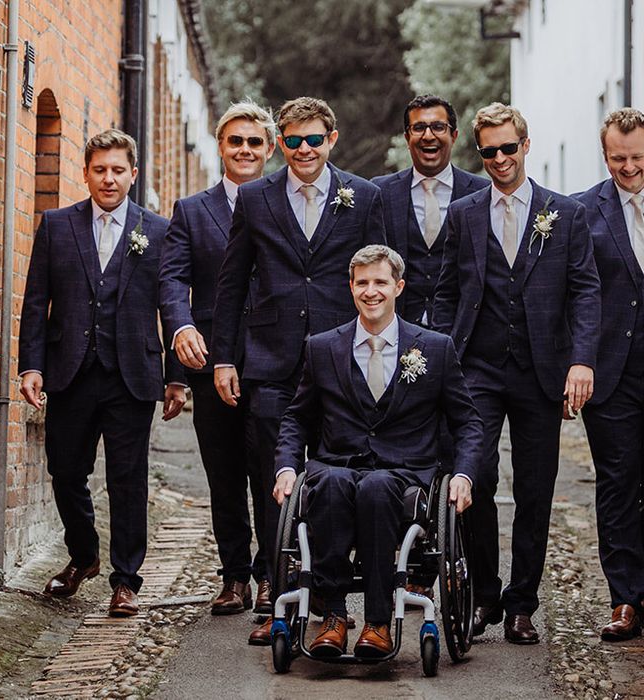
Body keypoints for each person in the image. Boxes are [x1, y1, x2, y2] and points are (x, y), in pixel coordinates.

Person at [210, 96, 386, 645]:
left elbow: (381, 275)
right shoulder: (257, 199)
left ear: (331, 139)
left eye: (314, 139)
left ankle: (334, 603)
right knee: (273, 480)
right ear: (279, 143)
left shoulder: (366, 196)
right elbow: (232, 282)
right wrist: (224, 357)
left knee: (338, 476)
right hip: (269, 359)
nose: (303, 149)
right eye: (292, 140)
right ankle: (276, 593)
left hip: (342, 361)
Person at [433, 103, 601, 644]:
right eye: (489, 151)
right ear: (477, 153)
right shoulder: (463, 213)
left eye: (508, 148)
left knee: (535, 488)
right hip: (476, 367)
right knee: (474, 476)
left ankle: (523, 603)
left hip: (540, 370)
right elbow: (446, 291)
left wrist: (581, 359)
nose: (500, 159)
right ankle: (485, 594)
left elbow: (585, 290)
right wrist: (439, 353)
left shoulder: (565, 214)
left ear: (525, 145)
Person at [273, 244, 482, 658]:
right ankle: (332, 617)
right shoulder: (322, 347)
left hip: (404, 472)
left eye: (380, 282)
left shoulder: (435, 349)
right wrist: (284, 466)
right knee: (329, 483)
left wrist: (464, 474)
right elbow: (297, 417)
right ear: (351, 288)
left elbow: (469, 421)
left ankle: (378, 622)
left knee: (377, 487)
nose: (372, 292)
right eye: (363, 283)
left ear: (398, 286)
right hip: (337, 465)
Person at [18, 129, 185, 616]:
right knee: (66, 471)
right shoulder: (56, 225)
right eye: (99, 169)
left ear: (133, 175)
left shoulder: (158, 230)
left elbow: (172, 305)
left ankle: (126, 580)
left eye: (117, 170)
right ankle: (84, 555)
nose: (108, 179)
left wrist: (176, 376)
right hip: (69, 371)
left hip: (132, 373)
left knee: (128, 478)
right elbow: (35, 303)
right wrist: (31, 365)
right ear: (85, 172)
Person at [159, 100, 275, 616]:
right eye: (236, 141)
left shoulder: (286, 203)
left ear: (270, 149)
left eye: (255, 141)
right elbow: (170, 277)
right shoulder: (191, 209)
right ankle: (234, 576)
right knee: (224, 474)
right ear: (220, 146)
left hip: (275, 358)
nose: (245, 149)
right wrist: (180, 325)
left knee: (273, 471)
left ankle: (274, 574)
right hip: (210, 358)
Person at [576, 108, 644, 641]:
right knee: (617, 484)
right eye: (618, 158)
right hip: (612, 375)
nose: (628, 168)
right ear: (605, 155)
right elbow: (576, 294)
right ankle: (625, 599)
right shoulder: (583, 212)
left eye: (638, 157)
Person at [372, 95, 488, 326]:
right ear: (407, 137)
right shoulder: (379, 192)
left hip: (463, 334)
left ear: (453, 135)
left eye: (438, 127)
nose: (428, 135)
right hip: (397, 330)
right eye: (419, 128)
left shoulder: (482, 192)